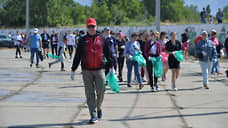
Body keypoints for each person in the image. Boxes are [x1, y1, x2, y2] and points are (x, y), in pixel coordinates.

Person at [70, 18, 113, 124]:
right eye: (89, 27)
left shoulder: (103, 39)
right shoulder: (82, 40)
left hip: (100, 69)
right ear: (86, 28)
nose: (91, 28)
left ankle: (98, 107)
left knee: (101, 91)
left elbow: (108, 54)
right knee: (90, 94)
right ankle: (93, 115)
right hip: (86, 70)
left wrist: (112, 67)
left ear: (96, 27)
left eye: (93, 26)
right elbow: (78, 55)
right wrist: (73, 69)